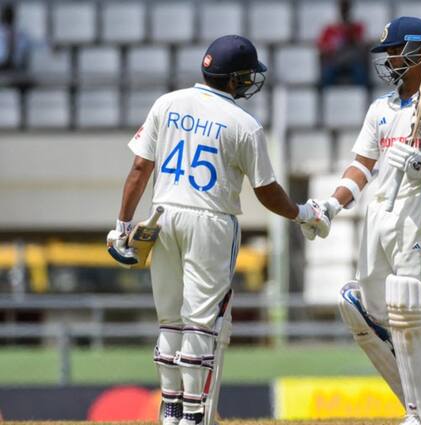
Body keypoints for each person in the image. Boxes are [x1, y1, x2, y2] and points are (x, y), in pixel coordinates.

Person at [106, 35, 328, 425]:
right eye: (246, 77)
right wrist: (301, 213)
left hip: (162, 216)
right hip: (210, 221)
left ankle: (170, 408)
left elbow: (140, 170)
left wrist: (122, 226)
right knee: (201, 322)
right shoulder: (244, 124)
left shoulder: (167, 103)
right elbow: (267, 192)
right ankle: (193, 412)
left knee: (169, 320)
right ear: (234, 79)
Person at [301, 17, 421, 425]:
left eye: (394, 51)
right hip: (379, 211)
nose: (386, 59)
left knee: (412, 303)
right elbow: (362, 167)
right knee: (358, 306)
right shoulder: (379, 109)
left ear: (419, 52)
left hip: (420, 206)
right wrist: (332, 205)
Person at [317, 0, 369, 87]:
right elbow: (322, 47)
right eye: (342, 7)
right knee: (326, 76)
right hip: (335, 61)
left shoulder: (357, 27)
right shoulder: (330, 29)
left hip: (353, 61)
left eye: (346, 7)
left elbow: (362, 46)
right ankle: (325, 98)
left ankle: (363, 97)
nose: (344, 10)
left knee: (361, 75)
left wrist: (351, 34)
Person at [0, 4, 31, 72]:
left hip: (16, 67)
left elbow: (27, 49)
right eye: (6, 14)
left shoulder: (21, 33)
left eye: (9, 14)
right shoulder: (1, 32)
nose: (8, 17)